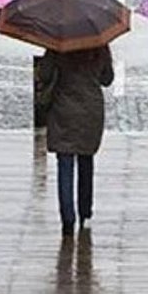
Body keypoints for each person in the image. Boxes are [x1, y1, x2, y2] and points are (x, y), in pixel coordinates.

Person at [38, 45, 114, 236]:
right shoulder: (99, 43)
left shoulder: (58, 43)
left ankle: (67, 218)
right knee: (86, 160)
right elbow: (107, 79)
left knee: (65, 164)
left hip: (64, 108)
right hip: (91, 109)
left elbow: (45, 74)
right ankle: (85, 213)